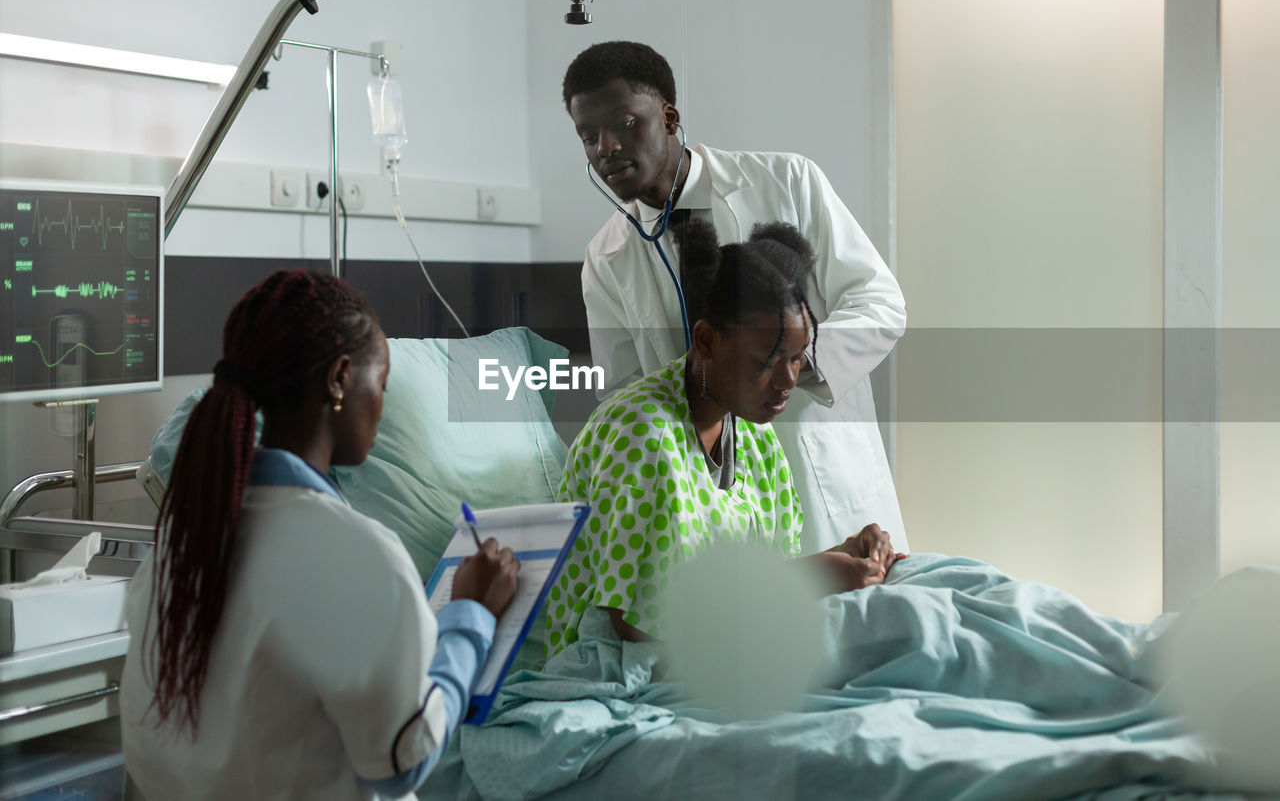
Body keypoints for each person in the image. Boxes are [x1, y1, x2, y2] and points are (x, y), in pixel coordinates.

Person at [120, 270, 520, 801]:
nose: (380, 405)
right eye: (380, 385)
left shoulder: (173, 554)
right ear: (339, 379)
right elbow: (405, 760)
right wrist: (471, 615)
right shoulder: (358, 555)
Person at [564, 40, 909, 557]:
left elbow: (880, 301)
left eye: (625, 124)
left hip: (817, 472)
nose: (606, 148)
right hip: (703, 500)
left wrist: (792, 363)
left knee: (865, 615)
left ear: (669, 116)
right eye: (588, 137)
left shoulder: (787, 182)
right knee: (750, 624)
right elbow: (622, 394)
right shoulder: (605, 257)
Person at [547, 221, 904, 655]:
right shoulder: (638, 433)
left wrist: (851, 552)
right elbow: (638, 625)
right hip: (622, 663)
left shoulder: (754, 436)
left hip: (724, 642)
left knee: (931, 585)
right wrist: (814, 578)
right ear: (706, 340)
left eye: (797, 357)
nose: (788, 380)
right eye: (767, 360)